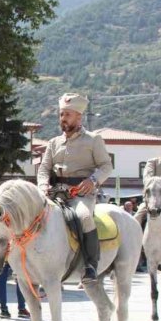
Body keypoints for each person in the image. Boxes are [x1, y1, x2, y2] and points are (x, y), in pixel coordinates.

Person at [37, 93, 113, 283]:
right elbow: (44, 168)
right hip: (55, 192)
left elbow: (106, 166)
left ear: (79, 116)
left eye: (67, 114)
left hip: (81, 194)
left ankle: (90, 265)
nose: (63, 118)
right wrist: (43, 184)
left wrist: (93, 180)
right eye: (61, 114)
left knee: (84, 217)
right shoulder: (53, 143)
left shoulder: (93, 140)